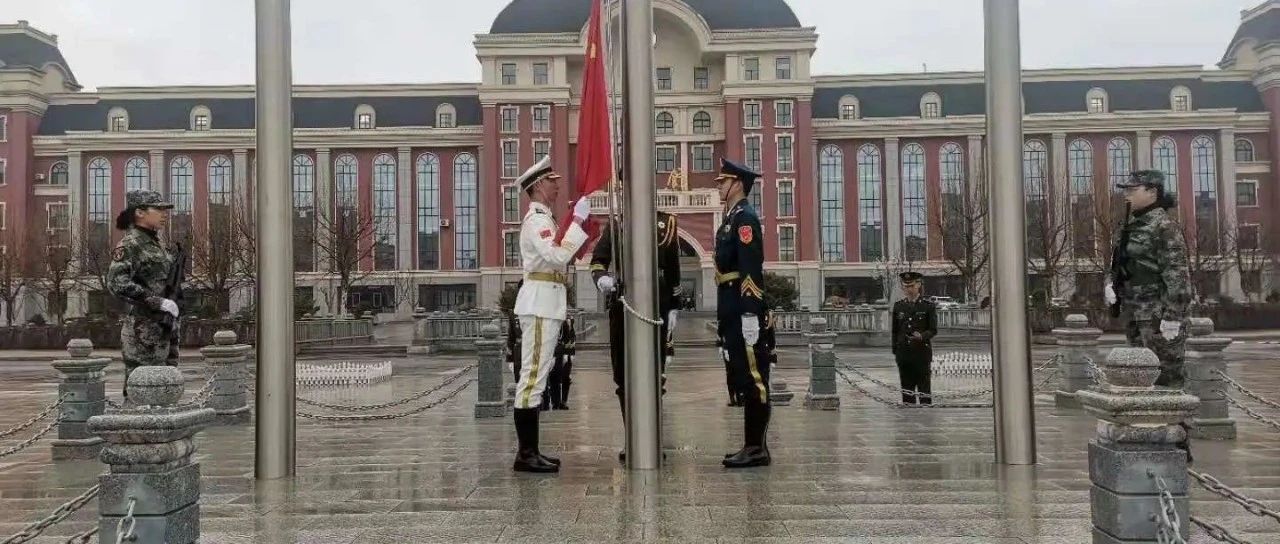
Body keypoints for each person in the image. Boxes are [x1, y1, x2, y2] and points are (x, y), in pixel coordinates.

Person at [510, 156, 591, 474]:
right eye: (552, 181)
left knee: (537, 376)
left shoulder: (546, 219)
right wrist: (577, 225)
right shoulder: (538, 222)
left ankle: (531, 450)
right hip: (540, 303)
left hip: (547, 302)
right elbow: (557, 257)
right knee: (532, 378)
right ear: (539, 186)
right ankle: (526, 453)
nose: (558, 185)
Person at [1107, 170, 1192, 459]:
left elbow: (1177, 273)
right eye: (1126, 189)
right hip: (1136, 311)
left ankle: (1178, 442)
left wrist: (1173, 314)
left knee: (1167, 378)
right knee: (1142, 377)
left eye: (1133, 189)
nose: (1127, 194)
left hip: (1158, 314)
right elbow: (1122, 260)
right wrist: (1112, 284)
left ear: (1153, 191)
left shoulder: (1163, 226)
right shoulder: (1132, 224)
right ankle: (1150, 435)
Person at [591, 205, 681, 459]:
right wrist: (602, 279)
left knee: (655, 374)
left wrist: (674, 306)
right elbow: (598, 260)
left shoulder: (666, 224)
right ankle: (632, 437)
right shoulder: (617, 224)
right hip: (624, 303)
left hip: (657, 302)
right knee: (623, 373)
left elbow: (673, 269)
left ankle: (652, 437)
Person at [713, 158, 772, 469]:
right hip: (730, 302)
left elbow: (750, 266)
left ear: (737, 183)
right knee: (743, 374)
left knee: (754, 378)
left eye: (723, 182)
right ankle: (751, 445)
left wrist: (750, 312)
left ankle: (756, 447)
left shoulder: (745, 218)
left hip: (741, 303)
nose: (719, 186)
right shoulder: (731, 218)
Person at [108, 190, 182, 397]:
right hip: (143, 331)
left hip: (166, 327)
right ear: (140, 212)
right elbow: (116, 283)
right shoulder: (130, 244)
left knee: (167, 388)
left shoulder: (158, 244)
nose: (164, 214)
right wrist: (155, 301)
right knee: (141, 392)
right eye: (158, 209)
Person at [891, 272, 936, 406]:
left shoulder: (928, 306)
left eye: (911, 286)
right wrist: (896, 350)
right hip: (904, 353)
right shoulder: (899, 306)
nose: (908, 289)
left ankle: (925, 417)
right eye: (905, 286)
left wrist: (922, 336)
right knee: (907, 390)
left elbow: (933, 329)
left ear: (918, 285)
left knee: (924, 390)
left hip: (921, 352)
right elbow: (895, 330)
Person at [545, 315, 576, 410]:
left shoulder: (567, 320)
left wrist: (569, 353)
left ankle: (563, 401)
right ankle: (554, 402)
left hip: (563, 352)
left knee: (565, 377)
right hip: (551, 351)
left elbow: (570, 337)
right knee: (553, 377)